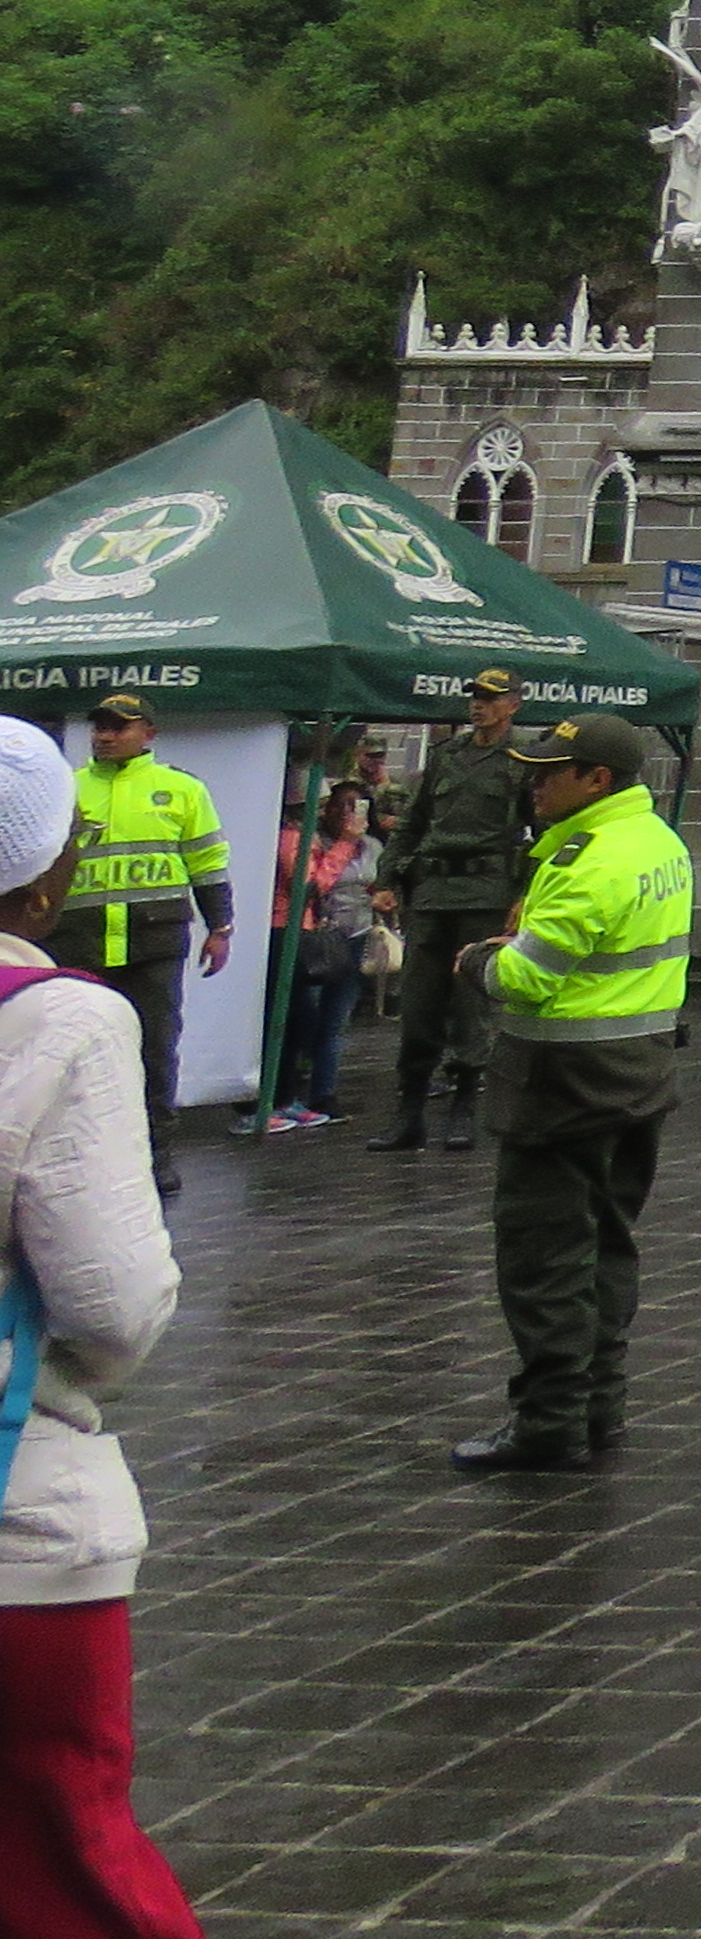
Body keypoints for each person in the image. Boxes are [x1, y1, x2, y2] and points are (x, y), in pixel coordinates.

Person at [0, 713, 203, 1937]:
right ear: (43, 867)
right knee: (66, 1845)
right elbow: (111, 1302)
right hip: (20, 1502)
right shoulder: (65, 1023)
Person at [453, 713, 693, 1472]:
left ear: (597, 780)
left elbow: (527, 974)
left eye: (549, 772)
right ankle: (600, 1408)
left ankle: (550, 1422)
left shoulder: (589, 859)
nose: (533, 783)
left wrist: (477, 962)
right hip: (638, 1072)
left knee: (544, 1260)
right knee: (608, 1247)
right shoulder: (658, 840)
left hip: (564, 1086)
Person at [48, 698, 229, 1203]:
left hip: (153, 941)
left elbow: (209, 861)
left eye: (118, 728)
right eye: (99, 727)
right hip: (77, 940)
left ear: (148, 732)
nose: (105, 736)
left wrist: (222, 926)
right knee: (75, 1054)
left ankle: (157, 1153)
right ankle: (81, 1156)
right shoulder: (67, 788)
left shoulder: (182, 789)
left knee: (154, 1050)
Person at [273, 768, 385, 1130]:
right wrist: (345, 843)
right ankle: (283, 1095)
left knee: (332, 1021)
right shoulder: (306, 839)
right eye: (338, 806)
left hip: (355, 935)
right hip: (315, 938)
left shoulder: (372, 847)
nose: (346, 813)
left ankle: (320, 1093)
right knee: (302, 1019)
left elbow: (377, 882)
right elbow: (314, 884)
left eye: (357, 806)